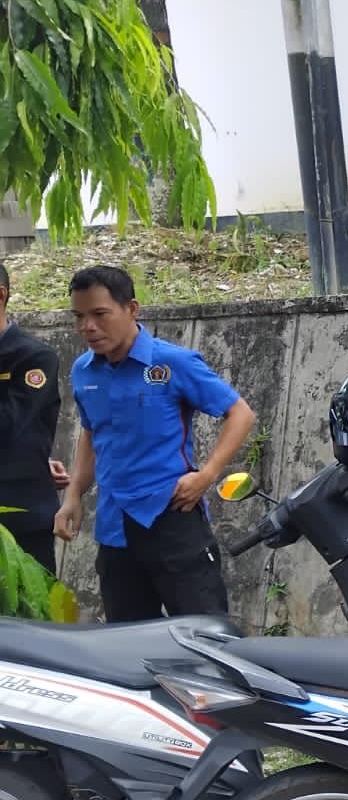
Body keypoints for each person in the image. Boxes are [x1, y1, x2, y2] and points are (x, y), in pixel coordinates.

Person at [54, 265, 256, 620]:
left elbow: (240, 413)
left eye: (99, 314)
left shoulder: (173, 362)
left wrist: (206, 475)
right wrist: (73, 496)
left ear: (132, 309)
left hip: (173, 516)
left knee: (203, 634)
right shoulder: (84, 371)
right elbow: (91, 432)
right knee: (128, 639)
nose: (88, 326)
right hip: (115, 527)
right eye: (79, 316)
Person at [0, 263, 69, 573]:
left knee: (34, 602)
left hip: (22, 517)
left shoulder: (33, 357)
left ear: (1, 295)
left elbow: (10, 424)